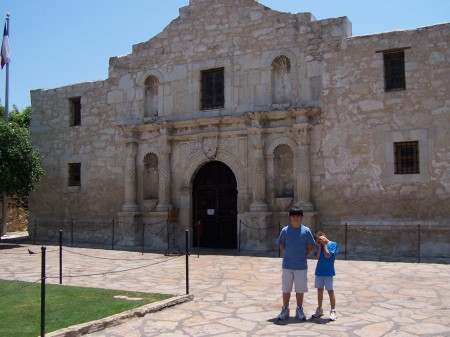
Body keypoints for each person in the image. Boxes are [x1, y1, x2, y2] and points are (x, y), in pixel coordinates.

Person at [276, 207, 315, 320]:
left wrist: (303, 255)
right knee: (286, 289)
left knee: (300, 289)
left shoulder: (306, 230)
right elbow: (281, 245)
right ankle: (285, 308)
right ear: (290, 217)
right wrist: (287, 254)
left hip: (301, 265)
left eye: (298, 216)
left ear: (301, 217)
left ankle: (299, 309)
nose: (295, 218)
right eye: (293, 216)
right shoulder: (285, 230)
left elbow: (310, 246)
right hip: (287, 265)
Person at [312, 230, 338, 321]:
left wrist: (325, 245)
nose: (320, 241)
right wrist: (320, 247)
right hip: (319, 271)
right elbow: (318, 257)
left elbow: (328, 255)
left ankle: (333, 310)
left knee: (330, 291)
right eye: (318, 240)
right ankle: (319, 308)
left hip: (328, 272)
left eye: (320, 239)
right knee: (319, 290)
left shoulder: (333, 244)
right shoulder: (320, 246)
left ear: (324, 235)